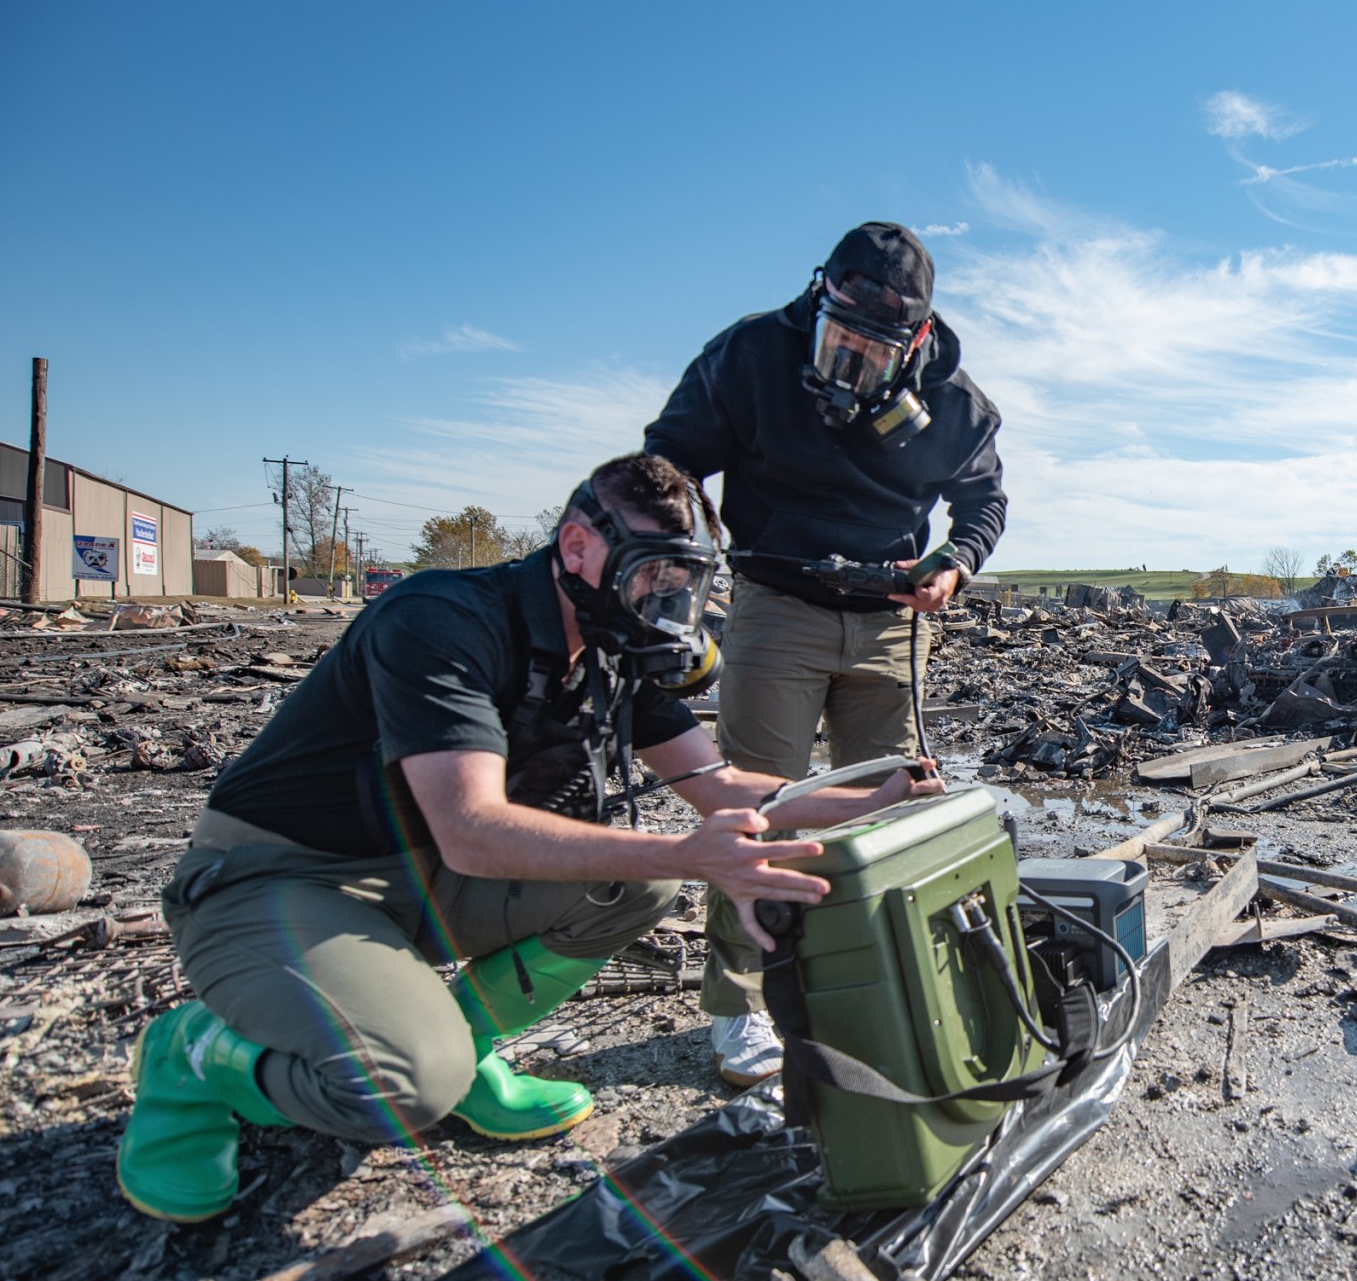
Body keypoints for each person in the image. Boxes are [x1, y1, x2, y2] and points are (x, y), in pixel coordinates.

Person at [114, 453, 938, 1223]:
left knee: (636, 884)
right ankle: (194, 1059)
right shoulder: (441, 618)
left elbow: (718, 785)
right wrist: (689, 854)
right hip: (282, 879)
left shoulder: (618, 648)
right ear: (578, 547)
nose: (665, 599)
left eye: (681, 580)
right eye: (652, 572)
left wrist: (873, 799)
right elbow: (472, 831)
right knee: (402, 1087)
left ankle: (463, 1046)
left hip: (420, 879)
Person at [644, 222, 1005, 1087]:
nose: (851, 358)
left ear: (918, 338)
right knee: (756, 810)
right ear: (820, 296)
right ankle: (739, 1011)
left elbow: (984, 503)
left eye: (875, 347)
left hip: (891, 620)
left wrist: (953, 566)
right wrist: (682, 547)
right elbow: (667, 463)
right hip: (776, 606)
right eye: (839, 331)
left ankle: (871, 986)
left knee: (884, 809)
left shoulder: (957, 404)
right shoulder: (750, 357)